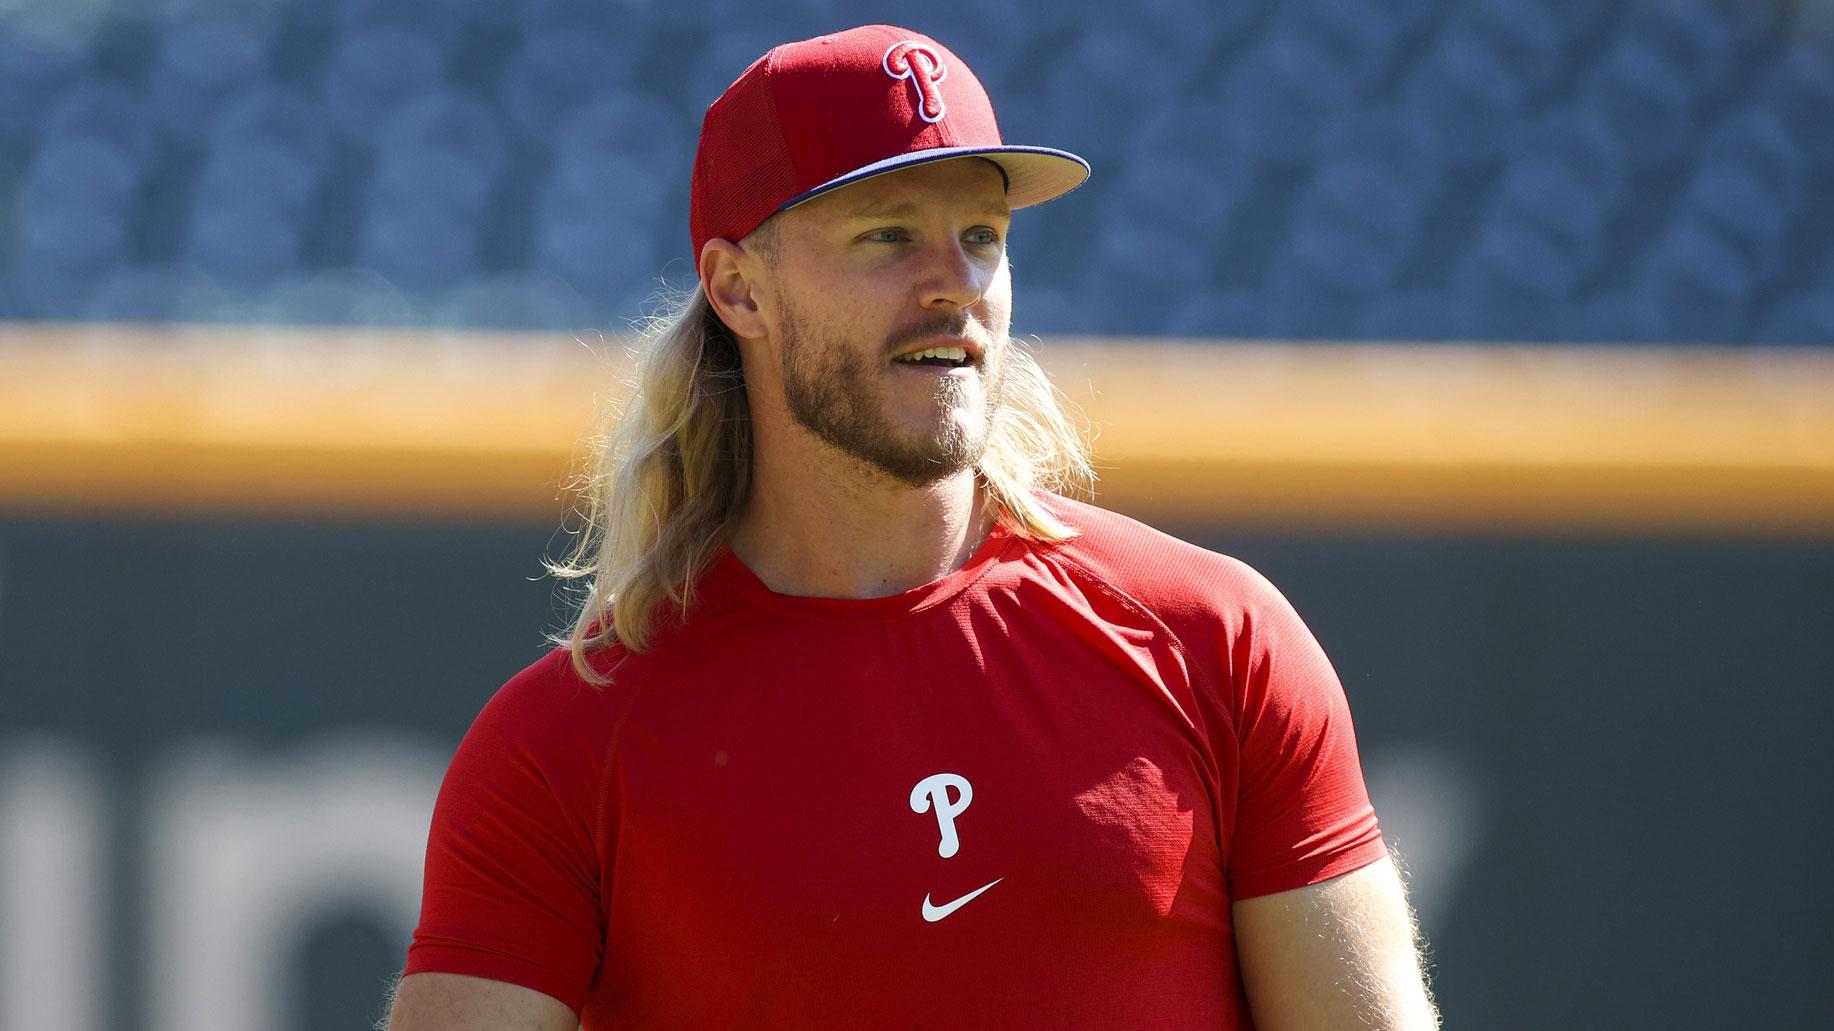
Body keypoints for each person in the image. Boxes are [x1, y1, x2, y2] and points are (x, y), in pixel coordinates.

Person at [386, 23, 1439, 1030]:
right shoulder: (563, 746)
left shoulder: (1216, 640)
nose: (955, 286)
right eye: (886, 234)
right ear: (738, 290)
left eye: (980, 237)